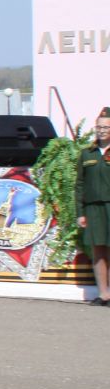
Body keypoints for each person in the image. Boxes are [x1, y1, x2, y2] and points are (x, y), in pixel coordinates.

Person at [78, 110, 110, 305]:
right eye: (99, 127)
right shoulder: (87, 153)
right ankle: (103, 293)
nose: (102, 131)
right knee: (98, 251)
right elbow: (79, 185)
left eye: (106, 127)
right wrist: (80, 213)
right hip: (93, 209)